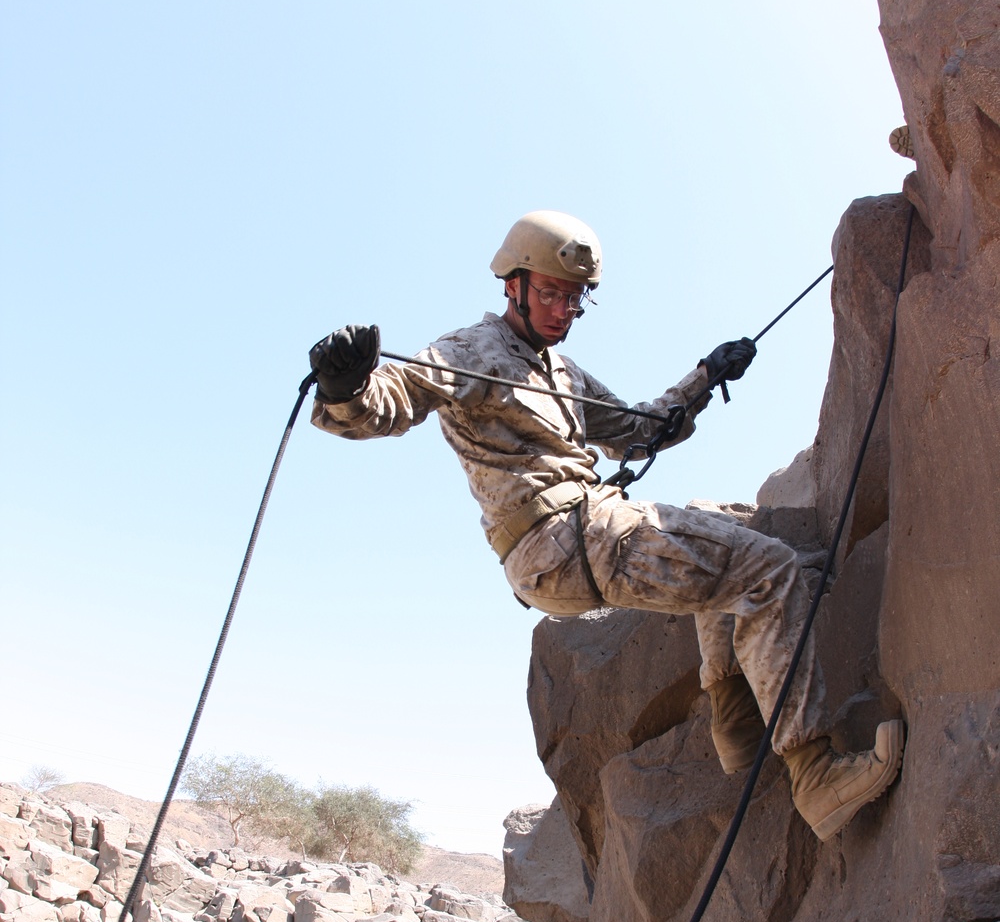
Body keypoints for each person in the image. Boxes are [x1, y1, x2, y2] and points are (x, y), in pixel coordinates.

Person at [309, 210, 903, 842]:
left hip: (581, 538)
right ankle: (816, 778)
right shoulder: (469, 351)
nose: (563, 309)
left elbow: (640, 430)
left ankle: (736, 725)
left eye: (574, 299)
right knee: (771, 569)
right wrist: (347, 386)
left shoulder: (563, 374)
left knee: (715, 527)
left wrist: (706, 376)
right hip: (563, 537)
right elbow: (392, 401)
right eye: (550, 293)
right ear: (512, 284)